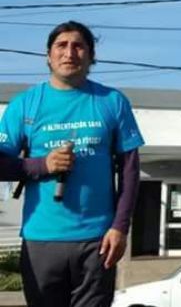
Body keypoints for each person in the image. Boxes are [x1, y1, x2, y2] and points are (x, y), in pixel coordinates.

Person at [0, 20, 144, 307]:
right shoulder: (25, 104)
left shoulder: (112, 101)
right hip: (41, 239)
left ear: (91, 56)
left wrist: (120, 227)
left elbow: (130, 172)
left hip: (97, 239)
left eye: (78, 46)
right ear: (48, 55)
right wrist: (42, 166)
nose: (69, 53)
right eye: (61, 46)